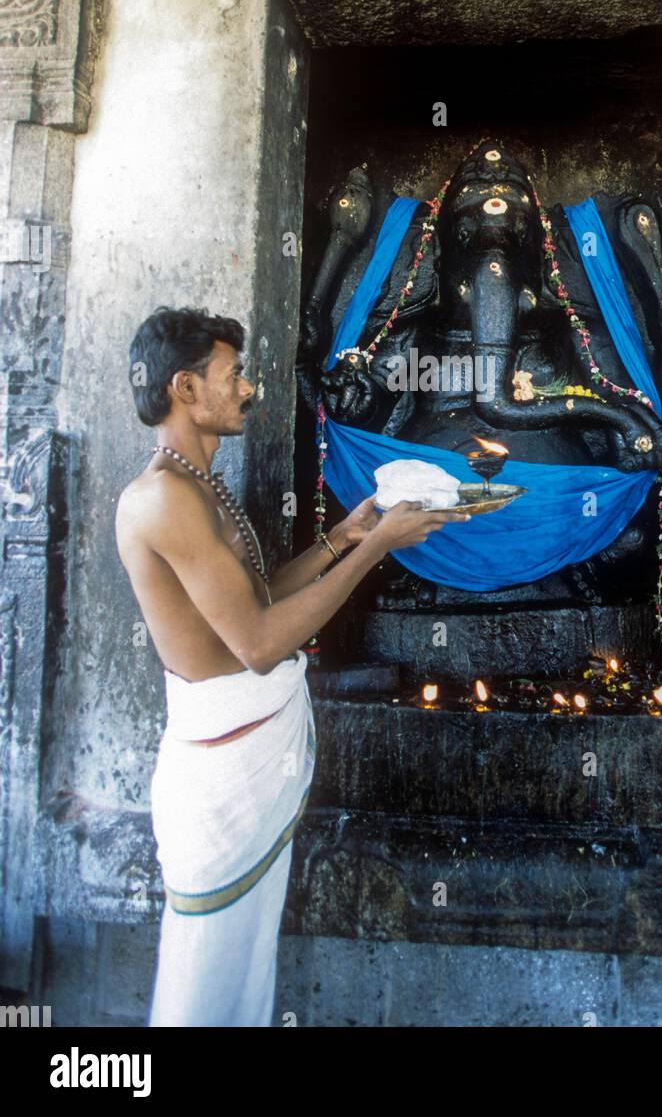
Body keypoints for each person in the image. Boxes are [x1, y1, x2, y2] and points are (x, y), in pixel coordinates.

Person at [115, 305, 470, 1027]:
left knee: (242, 980)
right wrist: (379, 550)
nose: (248, 389)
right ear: (185, 388)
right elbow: (259, 642)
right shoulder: (163, 498)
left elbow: (257, 598)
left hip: (242, 761)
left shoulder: (198, 484)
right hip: (219, 774)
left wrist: (347, 533)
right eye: (233, 375)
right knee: (203, 989)